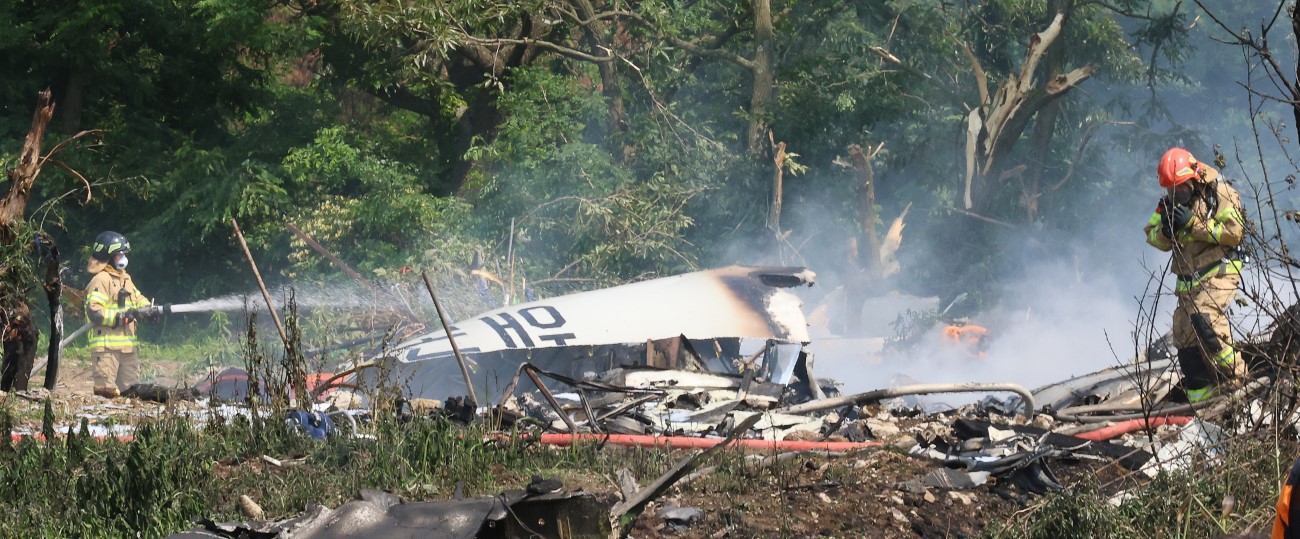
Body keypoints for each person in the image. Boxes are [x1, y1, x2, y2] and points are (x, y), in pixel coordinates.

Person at [1143, 148, 1247, 403]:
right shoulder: (1169, 202)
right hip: (1187, 280)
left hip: (1219, 271)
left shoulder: (1220, 193)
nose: (1176, 196)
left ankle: (1239, 382)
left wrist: (1193, 223)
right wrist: (1166, 231)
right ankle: (1201, 405)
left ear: (1195, 179)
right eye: (1171, 191)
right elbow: (1151, 235)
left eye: (1180, 190)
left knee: (1206, 319)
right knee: (1185, 338)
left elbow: (1234, 233)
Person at [84, 231, 152, 398]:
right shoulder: (101, 279)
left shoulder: (125, 278)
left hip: (128, 347)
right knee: (105, 392)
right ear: (108, 258)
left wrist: (149, 310)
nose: (123, 258)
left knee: (132, 391)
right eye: (118, 255)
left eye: (123, 254)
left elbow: (138, 299)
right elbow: (95, 311)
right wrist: (120, 317)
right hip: (106, 348)